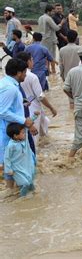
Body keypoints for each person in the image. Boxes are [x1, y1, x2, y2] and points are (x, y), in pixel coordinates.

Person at [0, 59, 37, 192]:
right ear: (18, 73)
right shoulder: (10, 88)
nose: (26, 75)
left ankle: (13, 189)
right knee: (10, 162)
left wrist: (21, 101)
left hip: (12, 130)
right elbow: (2, 111)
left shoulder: (7, 83)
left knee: (15, 161)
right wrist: (23, 120)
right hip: (9, 132)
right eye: (25, 72)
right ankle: (10, 191)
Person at [16, 52, 57, 146]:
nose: (33, 61)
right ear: (28, 62)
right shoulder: (32, 77)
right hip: (34, 110)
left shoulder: (16, 76)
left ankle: (45, 148)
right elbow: (40, 96)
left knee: (44, 128)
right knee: (34, 136)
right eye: (32, 59)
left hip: (26, 108)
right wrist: (51, 108)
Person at [4, 123, 36, 197]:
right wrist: (9, 169)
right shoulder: (11, 146)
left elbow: (28, 124)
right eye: (22, 133)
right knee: (25, 183)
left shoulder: (25, 140)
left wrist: (35, 116)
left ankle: (33, 196)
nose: (25, 134)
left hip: (26, 166)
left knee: (30, 183)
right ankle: (22, 198)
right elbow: (7, 158)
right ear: (15, 136)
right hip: (17, 169)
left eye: (24, 132)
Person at [38, 4, 65, 74]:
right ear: (48, 11)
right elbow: (56, 28)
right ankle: (53, 70)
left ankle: (47, 70)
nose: (53, 13)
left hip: (43, 39)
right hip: (50, 39)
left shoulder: (40, 18)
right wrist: (61, 23)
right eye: (52, 11)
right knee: (52, 55)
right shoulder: (48, 18)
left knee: (45, 55)